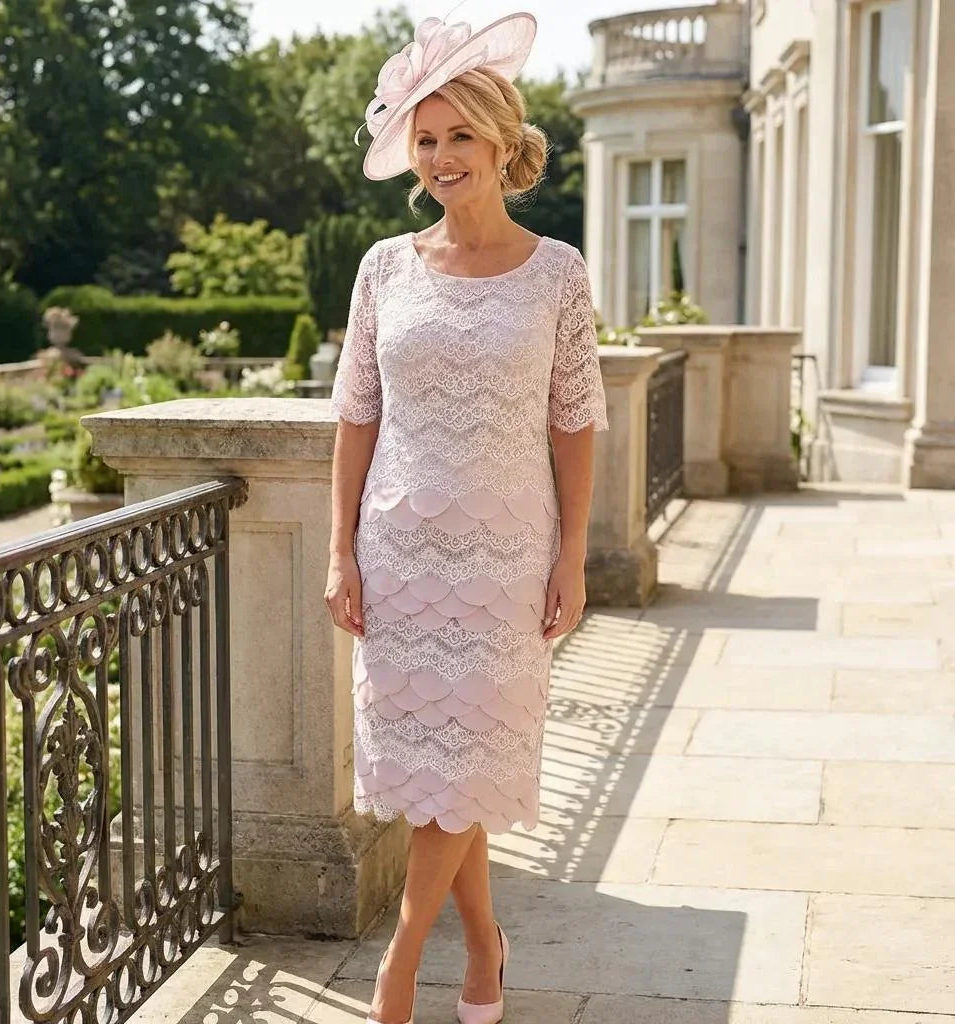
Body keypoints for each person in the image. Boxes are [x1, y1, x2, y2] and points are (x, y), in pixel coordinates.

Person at [324, 12, 609, 1024]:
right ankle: (485, 949)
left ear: (500, 145)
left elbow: (574, 424)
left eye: (458, 137)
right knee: (444, 775)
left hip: (502, 557)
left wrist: (571, 557)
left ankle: (400, 965)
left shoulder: (557, 273)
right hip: (397, 552)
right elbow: (356, 415)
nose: (440, 157)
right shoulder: (382, 269)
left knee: (471, 754)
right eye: (425, 138)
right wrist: (338, 551)